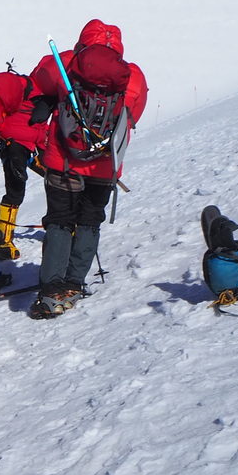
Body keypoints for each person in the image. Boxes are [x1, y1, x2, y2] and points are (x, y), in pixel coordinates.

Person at [27, 21, 148, 318]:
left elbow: (37, 81)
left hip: (63, 160)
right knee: (89, 220)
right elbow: (134, 114)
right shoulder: (133, 75)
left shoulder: (64, 62)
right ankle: (75, 281)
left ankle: (52, 286)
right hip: (105, 165)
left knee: (59, 220)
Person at [0, 67, 51, 260]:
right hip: (14, 145)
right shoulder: (28, 91)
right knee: (16, 191)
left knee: (55, 182)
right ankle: (3, 242)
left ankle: (58, 228)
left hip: (27, 146)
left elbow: (39, 126)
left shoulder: (43, 95)